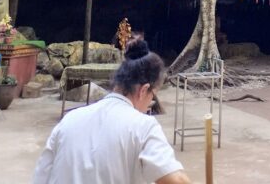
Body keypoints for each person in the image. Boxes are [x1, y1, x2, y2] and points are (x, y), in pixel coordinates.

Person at [31, 40, 191, 184]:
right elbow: (176, 180)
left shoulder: (69, 120)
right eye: (152, 96)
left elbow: (41, 176)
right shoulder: (143, 127)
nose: (151, 103)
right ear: (144, 90)